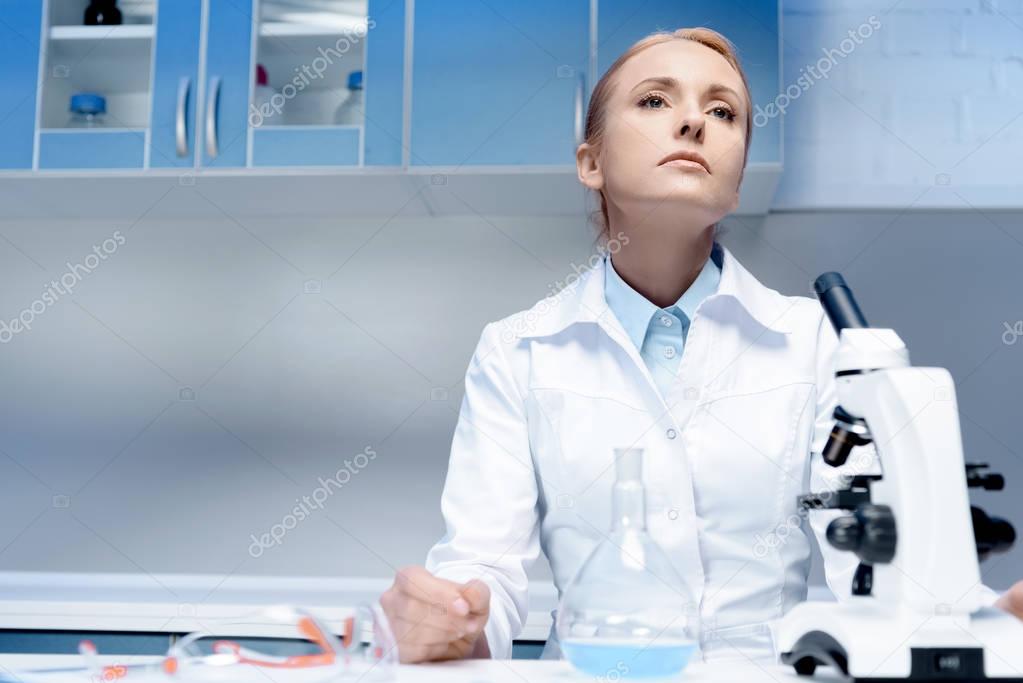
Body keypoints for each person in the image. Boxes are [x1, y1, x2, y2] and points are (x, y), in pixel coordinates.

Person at [378, 27, 1023, 664]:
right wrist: (453, 620)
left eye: (723, 112)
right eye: (655, 101)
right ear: (591, 163)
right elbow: (484, 566)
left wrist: (976, 622)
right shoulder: (517, 350)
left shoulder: (819, 343)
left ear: (736, 180)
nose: (694, 123)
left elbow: (881, 557)